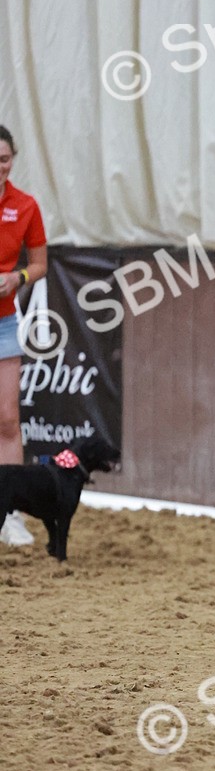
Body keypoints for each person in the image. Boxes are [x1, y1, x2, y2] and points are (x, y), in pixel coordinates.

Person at [0, 125, 48, 545]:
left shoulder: (26, 205)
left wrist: (17, 277)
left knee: (9, 418)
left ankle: (10, 513)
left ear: (12, 159)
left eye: (4, 159)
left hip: (4, 321)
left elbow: (39, 264)